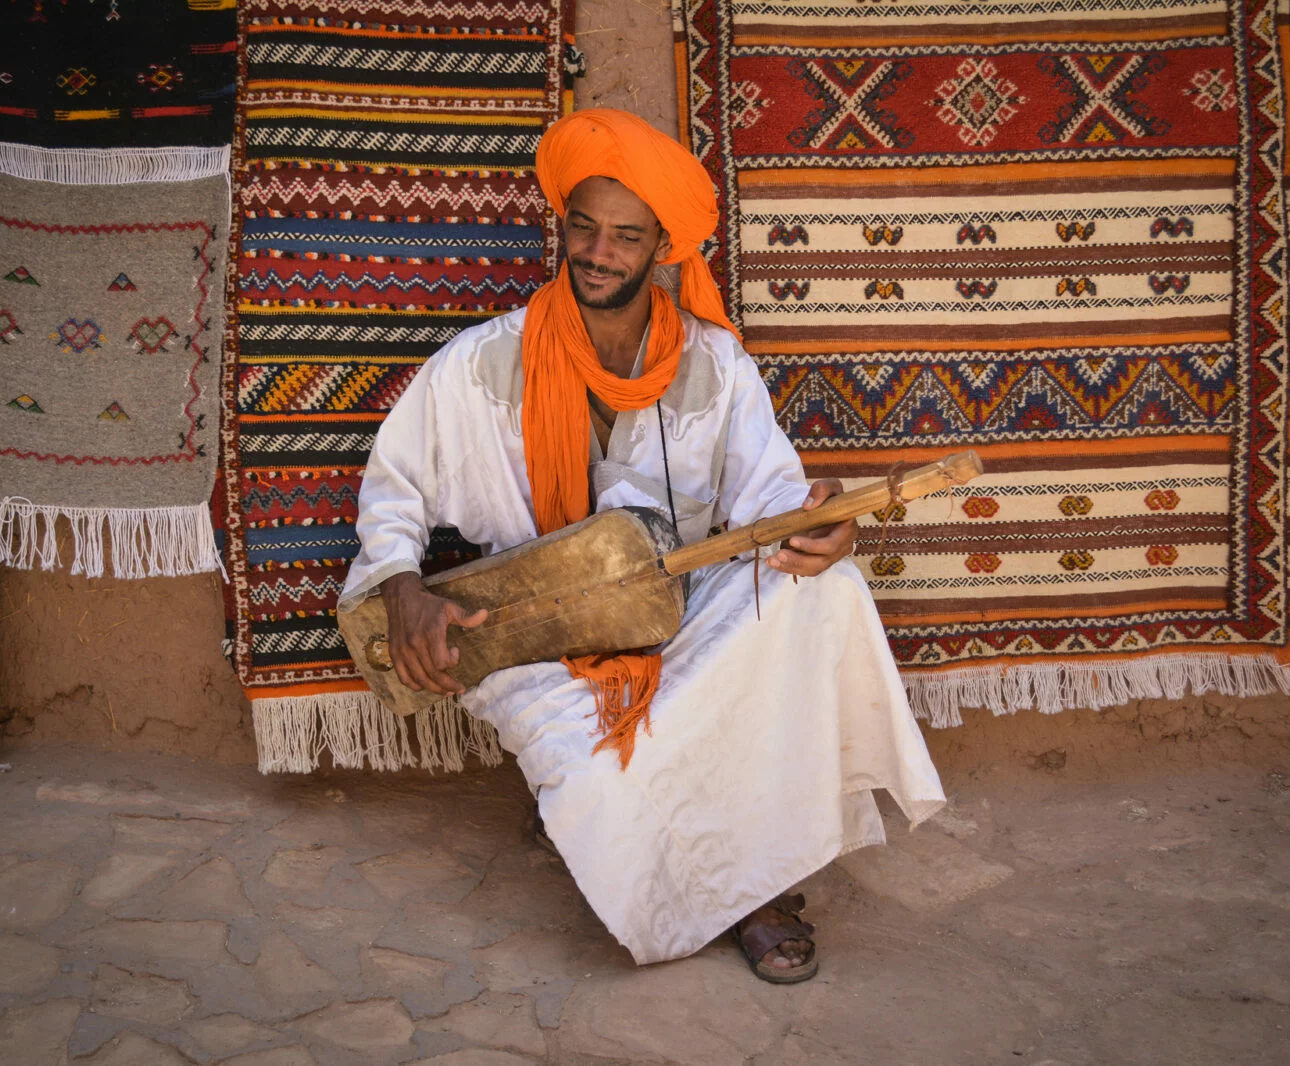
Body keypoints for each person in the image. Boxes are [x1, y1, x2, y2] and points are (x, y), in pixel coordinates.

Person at [341, 109, 944, 982]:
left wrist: (822, 524)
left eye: (626, 235)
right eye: (583, 225)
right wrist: (400, 585)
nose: (598, 251)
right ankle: (708, 878)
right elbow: (393, 486)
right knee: (596, 788)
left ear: (663, 248)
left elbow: (773, 494)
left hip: (684, 621)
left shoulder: (716, 366)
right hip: (539, 644)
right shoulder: (482, 364)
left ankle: (753, 888)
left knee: (832, 590)